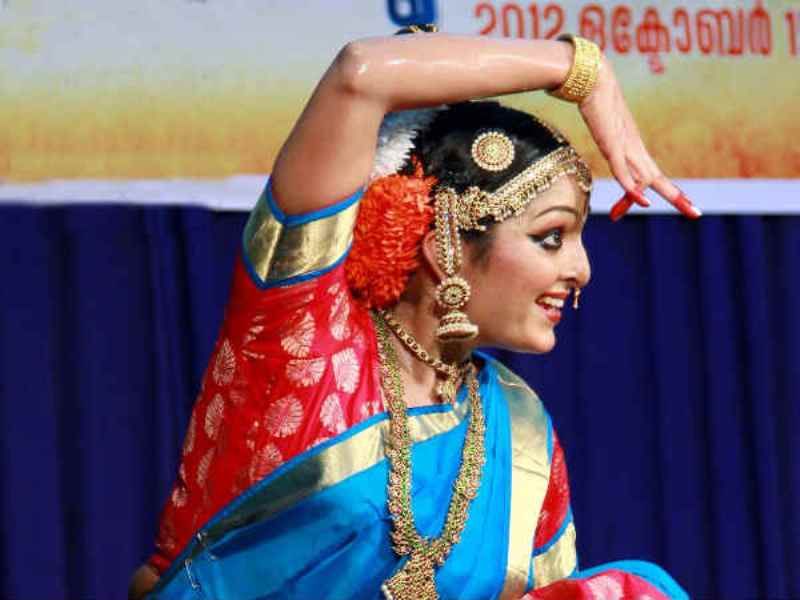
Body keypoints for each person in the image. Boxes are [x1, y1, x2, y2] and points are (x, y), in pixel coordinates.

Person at [129, 27, 699, 600]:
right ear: (443, 239)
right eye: (550, 237)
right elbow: (362, 75)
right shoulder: (302, 333)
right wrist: (583, 72)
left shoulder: (521, 428)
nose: (581, 270)